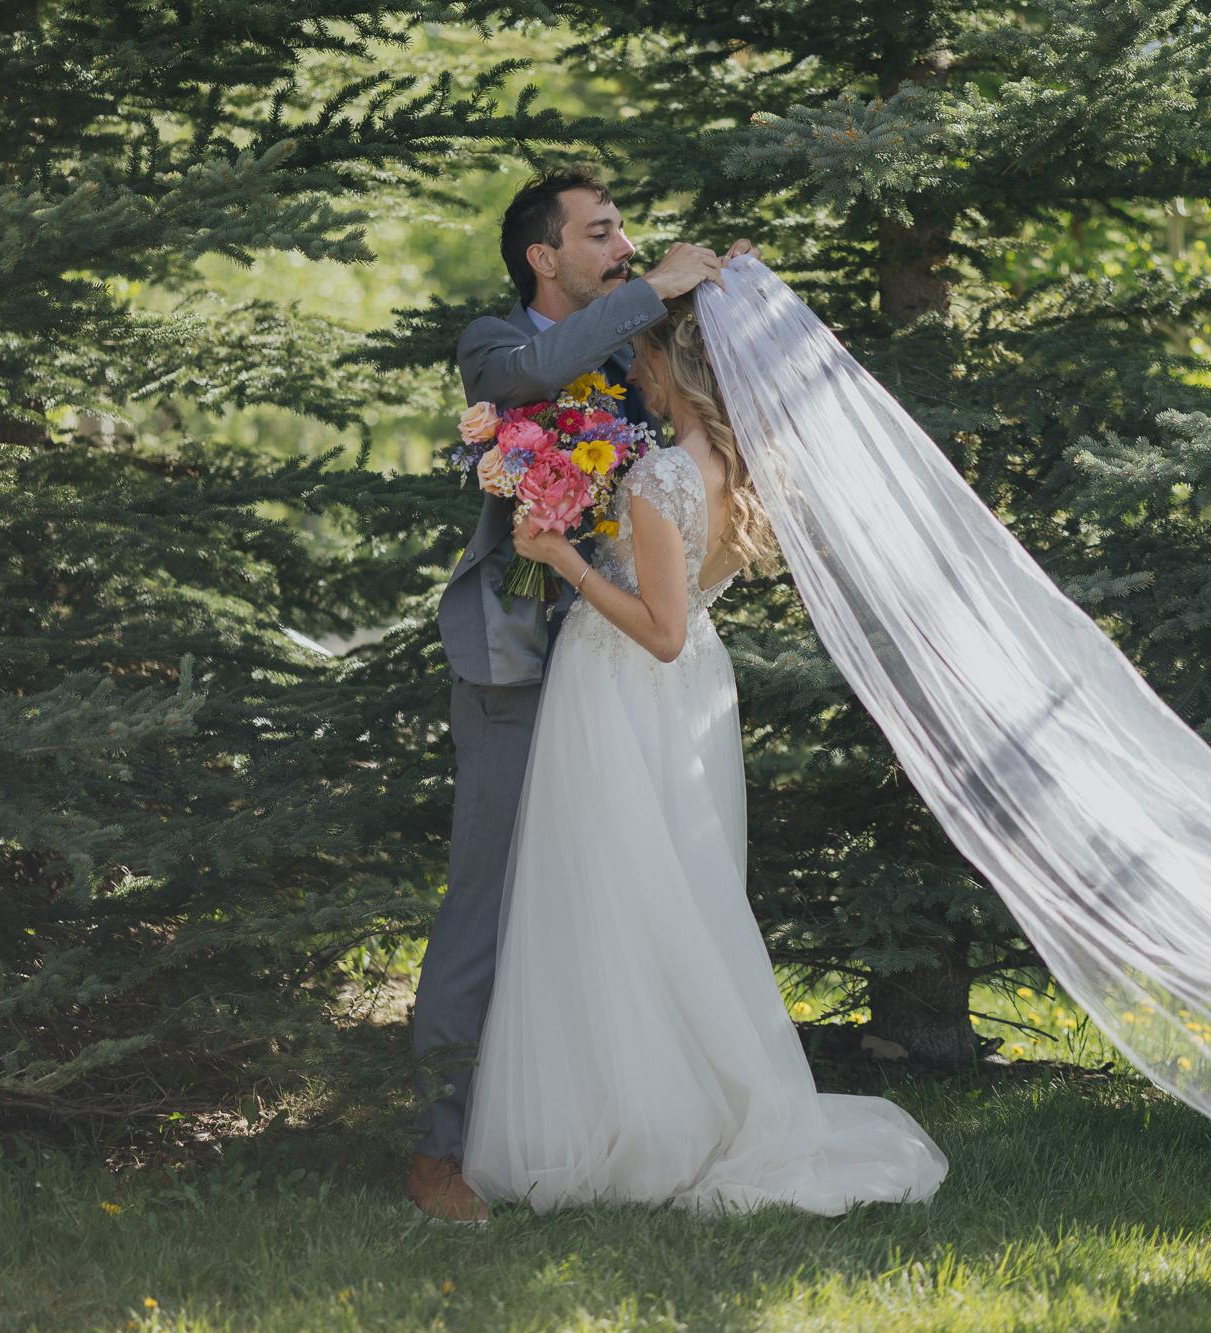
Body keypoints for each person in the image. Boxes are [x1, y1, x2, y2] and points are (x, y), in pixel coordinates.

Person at [455, 287, 950, 1217]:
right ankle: (661, 1090)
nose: (633, 376)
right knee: (672, 891)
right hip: (687, 700)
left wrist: (563, 561)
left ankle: (643, 1115)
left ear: (676, 371)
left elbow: (662, 630)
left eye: (643, 362)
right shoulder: (734, 463)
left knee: (620, 893)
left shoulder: (658, 480)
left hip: (624, 693)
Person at [406, 163, 755, 1224]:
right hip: (515, 668)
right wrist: (648, 293)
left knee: (615, 899)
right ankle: (437, 1149)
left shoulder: (633, 348)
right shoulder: (497, 343)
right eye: (600, 233)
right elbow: (534, 377)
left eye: (625, 233)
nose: (623, 248)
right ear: (540, 257)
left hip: (620, 675)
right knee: (487, 900)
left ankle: (604, 1121)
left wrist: (728, 297)